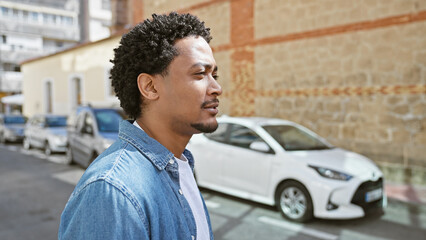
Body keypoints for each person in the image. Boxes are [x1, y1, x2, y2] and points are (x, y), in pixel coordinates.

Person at [59, 12, 222, 240]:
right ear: (150, 87)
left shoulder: (180, 167)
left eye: (214, 74)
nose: (216, 87)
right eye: (199, 74)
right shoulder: (113, 191)